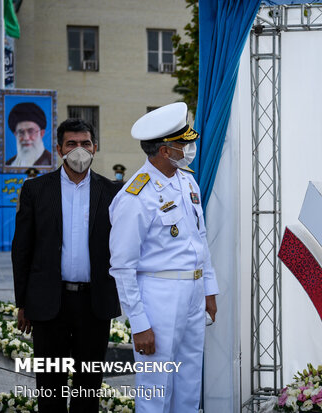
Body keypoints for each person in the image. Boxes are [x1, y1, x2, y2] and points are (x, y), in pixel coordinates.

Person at [109, 102, 218, 413]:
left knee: (188, 381)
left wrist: (209, 289)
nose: (189, 148)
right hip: (159, 296)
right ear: (163, 151)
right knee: (156, 387)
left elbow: (200, 241)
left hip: (193, 295)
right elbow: (122, 266)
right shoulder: (135, 195)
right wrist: (139, 323)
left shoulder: (187, 181)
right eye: (182, 143)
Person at [12, 118, 122, 413]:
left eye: (85, 143)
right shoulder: (36, 189)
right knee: (50, 386)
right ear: (59, 148)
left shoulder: (113, 192)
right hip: (49, 304)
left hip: (94, 304)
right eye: (71, 144)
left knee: (89, 386)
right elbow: (22, 249)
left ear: (95, 148)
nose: (79, 150)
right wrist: (23, 303)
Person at [5, 102, 52, 166]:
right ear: (15, 134)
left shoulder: (51, 162)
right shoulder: (9, 164)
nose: (26, 138)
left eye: (31, 131)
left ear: (41, 133)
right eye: (21, 132)